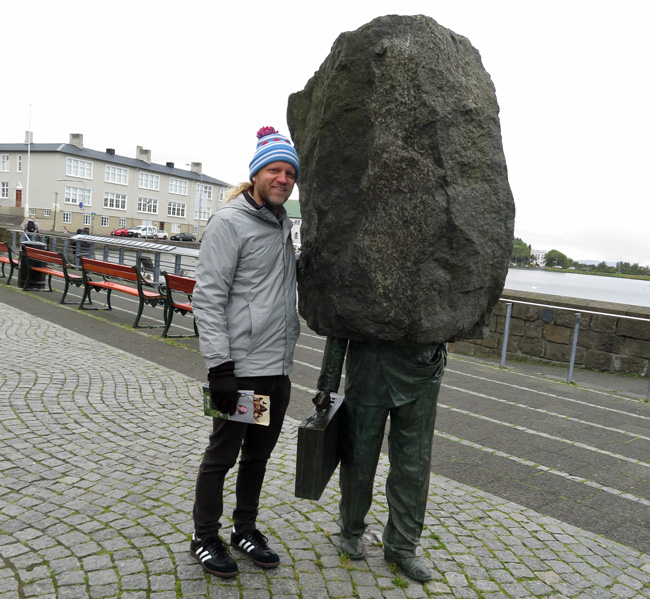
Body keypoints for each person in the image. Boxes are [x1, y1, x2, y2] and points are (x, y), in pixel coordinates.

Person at [190, 126, 301, 578]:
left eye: (290, 173)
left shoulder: (281, 223)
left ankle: (245, 528)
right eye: (274, 170)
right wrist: (220, 368)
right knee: (223, 455)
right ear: (256, 174)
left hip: (277, 368)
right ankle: (204, 535)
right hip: (242, 369)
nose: (283, 179)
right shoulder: (230, 222)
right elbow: (208, 297)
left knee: (258, 456)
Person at [315, 337, 447, 583]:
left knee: (414, 463)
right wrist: (327, 382)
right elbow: (337, 311)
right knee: (359, 455)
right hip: (369, 367)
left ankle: (403, 545)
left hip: (423, 368)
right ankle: (351, 527)